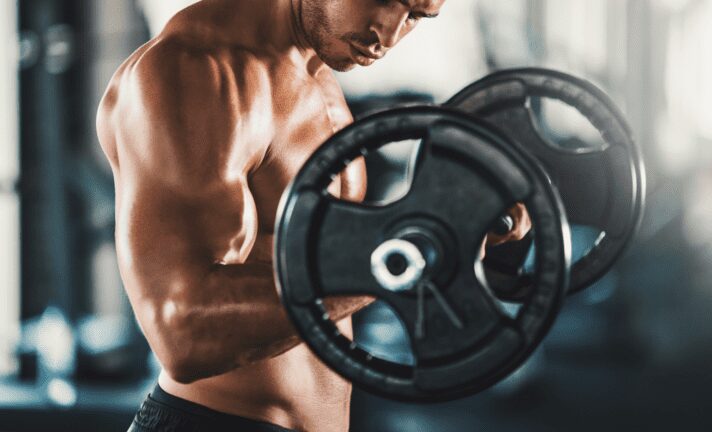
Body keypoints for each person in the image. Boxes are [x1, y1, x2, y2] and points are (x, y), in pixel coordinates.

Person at [96, 0, 530, 430]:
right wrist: (409, 252)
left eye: (416, 16)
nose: (389, 34)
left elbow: (326, 257)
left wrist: (464, 221)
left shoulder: (317, 74)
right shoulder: (195, 70)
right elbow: (185, 333)